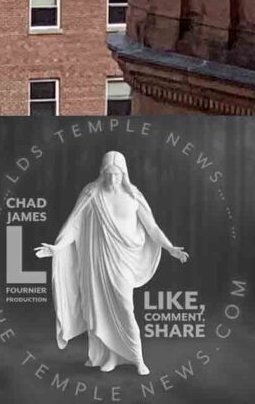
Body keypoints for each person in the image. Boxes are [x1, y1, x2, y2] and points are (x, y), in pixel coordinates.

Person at [34, 151, 188, 374]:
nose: (112, 179)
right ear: (102, 173)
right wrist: (57, 248)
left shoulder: (134, 196)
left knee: (125, 308)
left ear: (124, 174)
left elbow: (152, 227)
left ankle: (138, 358)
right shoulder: (91, 194)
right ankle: (111, 357)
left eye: (117, 174)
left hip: (123, 260)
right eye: (108, 174)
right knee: (100, 309)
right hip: (97, 261)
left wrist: (170, 247)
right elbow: (74, 225)